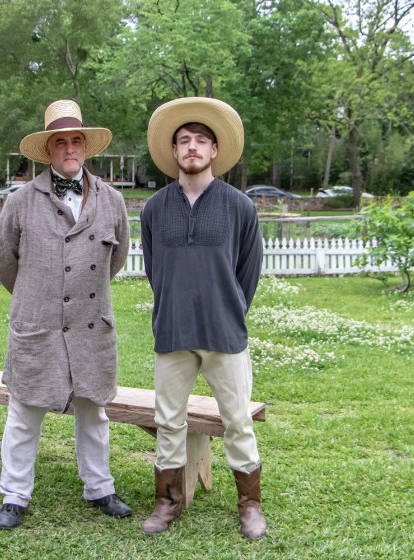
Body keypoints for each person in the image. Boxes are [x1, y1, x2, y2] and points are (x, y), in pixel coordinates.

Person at [0, 99, 133, 530]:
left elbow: (117, 258)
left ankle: (100, 488)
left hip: (92, 323)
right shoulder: (20, 202)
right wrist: (41, 295)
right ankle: (14, 495)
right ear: (48, 150)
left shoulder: (111, 200)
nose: (69, 148)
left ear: (86, 147)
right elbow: (5, 262)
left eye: (76, 141)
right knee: (24, 412)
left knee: (94, 411)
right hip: (38, 325)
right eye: (60, 142)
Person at [139, 97, 266, 539]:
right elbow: (155, 271)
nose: (192, 147)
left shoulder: (239, 208)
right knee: (168, 421)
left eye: (201, 141)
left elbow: (247, 272)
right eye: (184, 141)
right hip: (172, 331)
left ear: (215, 151)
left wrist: (225, 308)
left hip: (224, 332)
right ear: (173, 152)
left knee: (237, 421)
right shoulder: (154, 209)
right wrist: (178, 303)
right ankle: (167, 502)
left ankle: (250, 505)